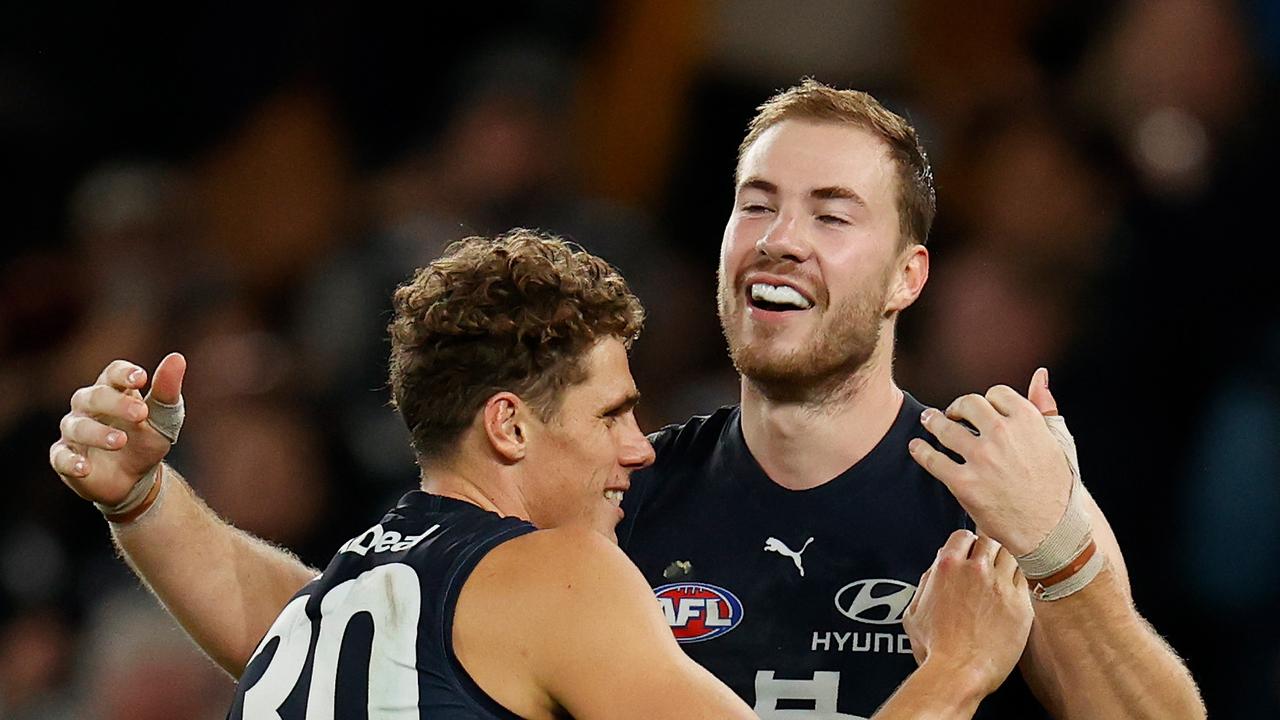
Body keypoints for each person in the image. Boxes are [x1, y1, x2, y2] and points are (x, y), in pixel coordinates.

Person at [50, 79, 1206, 718]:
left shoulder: (997, 491)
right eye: (755, 202)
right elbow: (370, 630)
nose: (781, 239)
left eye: (830, 213)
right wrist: (150, 502)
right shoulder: (613, 494)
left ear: (909, 276)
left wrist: (1059, 554)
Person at [51, 230, 1035, 719]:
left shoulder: (356, 588)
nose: (638, 447)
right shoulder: (554, 576)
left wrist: (143, 498)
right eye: (610, 413)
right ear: (510, 427)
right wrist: (954, 667)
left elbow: (252, 600)